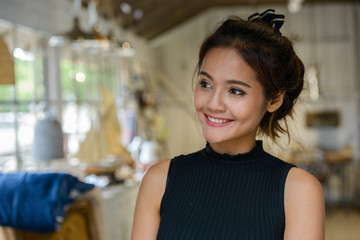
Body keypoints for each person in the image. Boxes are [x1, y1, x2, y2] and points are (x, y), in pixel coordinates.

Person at [131, 9, 325, 240]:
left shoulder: (299, 191)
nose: (213, 104)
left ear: (273, 100)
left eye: (235, 91)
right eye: (205, 84)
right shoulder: (158, 181)